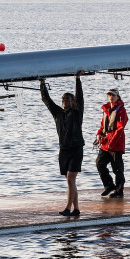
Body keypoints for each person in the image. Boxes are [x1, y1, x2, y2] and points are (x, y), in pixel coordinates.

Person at [40, 72, 85, 217]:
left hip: (76, 149)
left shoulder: (77, 113)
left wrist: (77, 80)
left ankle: (67, 208)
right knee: (70, 181)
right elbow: (46, 100)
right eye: (63, 99)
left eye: (68, 98)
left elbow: (80, 98)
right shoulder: (58, 113)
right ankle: (76, 209)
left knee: (71, 178)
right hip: (64, 150)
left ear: (73, 102)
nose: (65, 100)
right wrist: (42, 83)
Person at [95, 88, 127, 198]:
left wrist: (112, 143)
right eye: (109, 95)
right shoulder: (106, 110)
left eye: (113, 95)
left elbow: (120, 128)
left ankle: (119, 190)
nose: (111, 97)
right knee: (99, 163)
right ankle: (109, 185)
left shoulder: (121, 110)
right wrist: (99, 134)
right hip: (105, 144)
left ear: (118, 97)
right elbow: (102, 126)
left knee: (117, 168)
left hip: (116, 145)